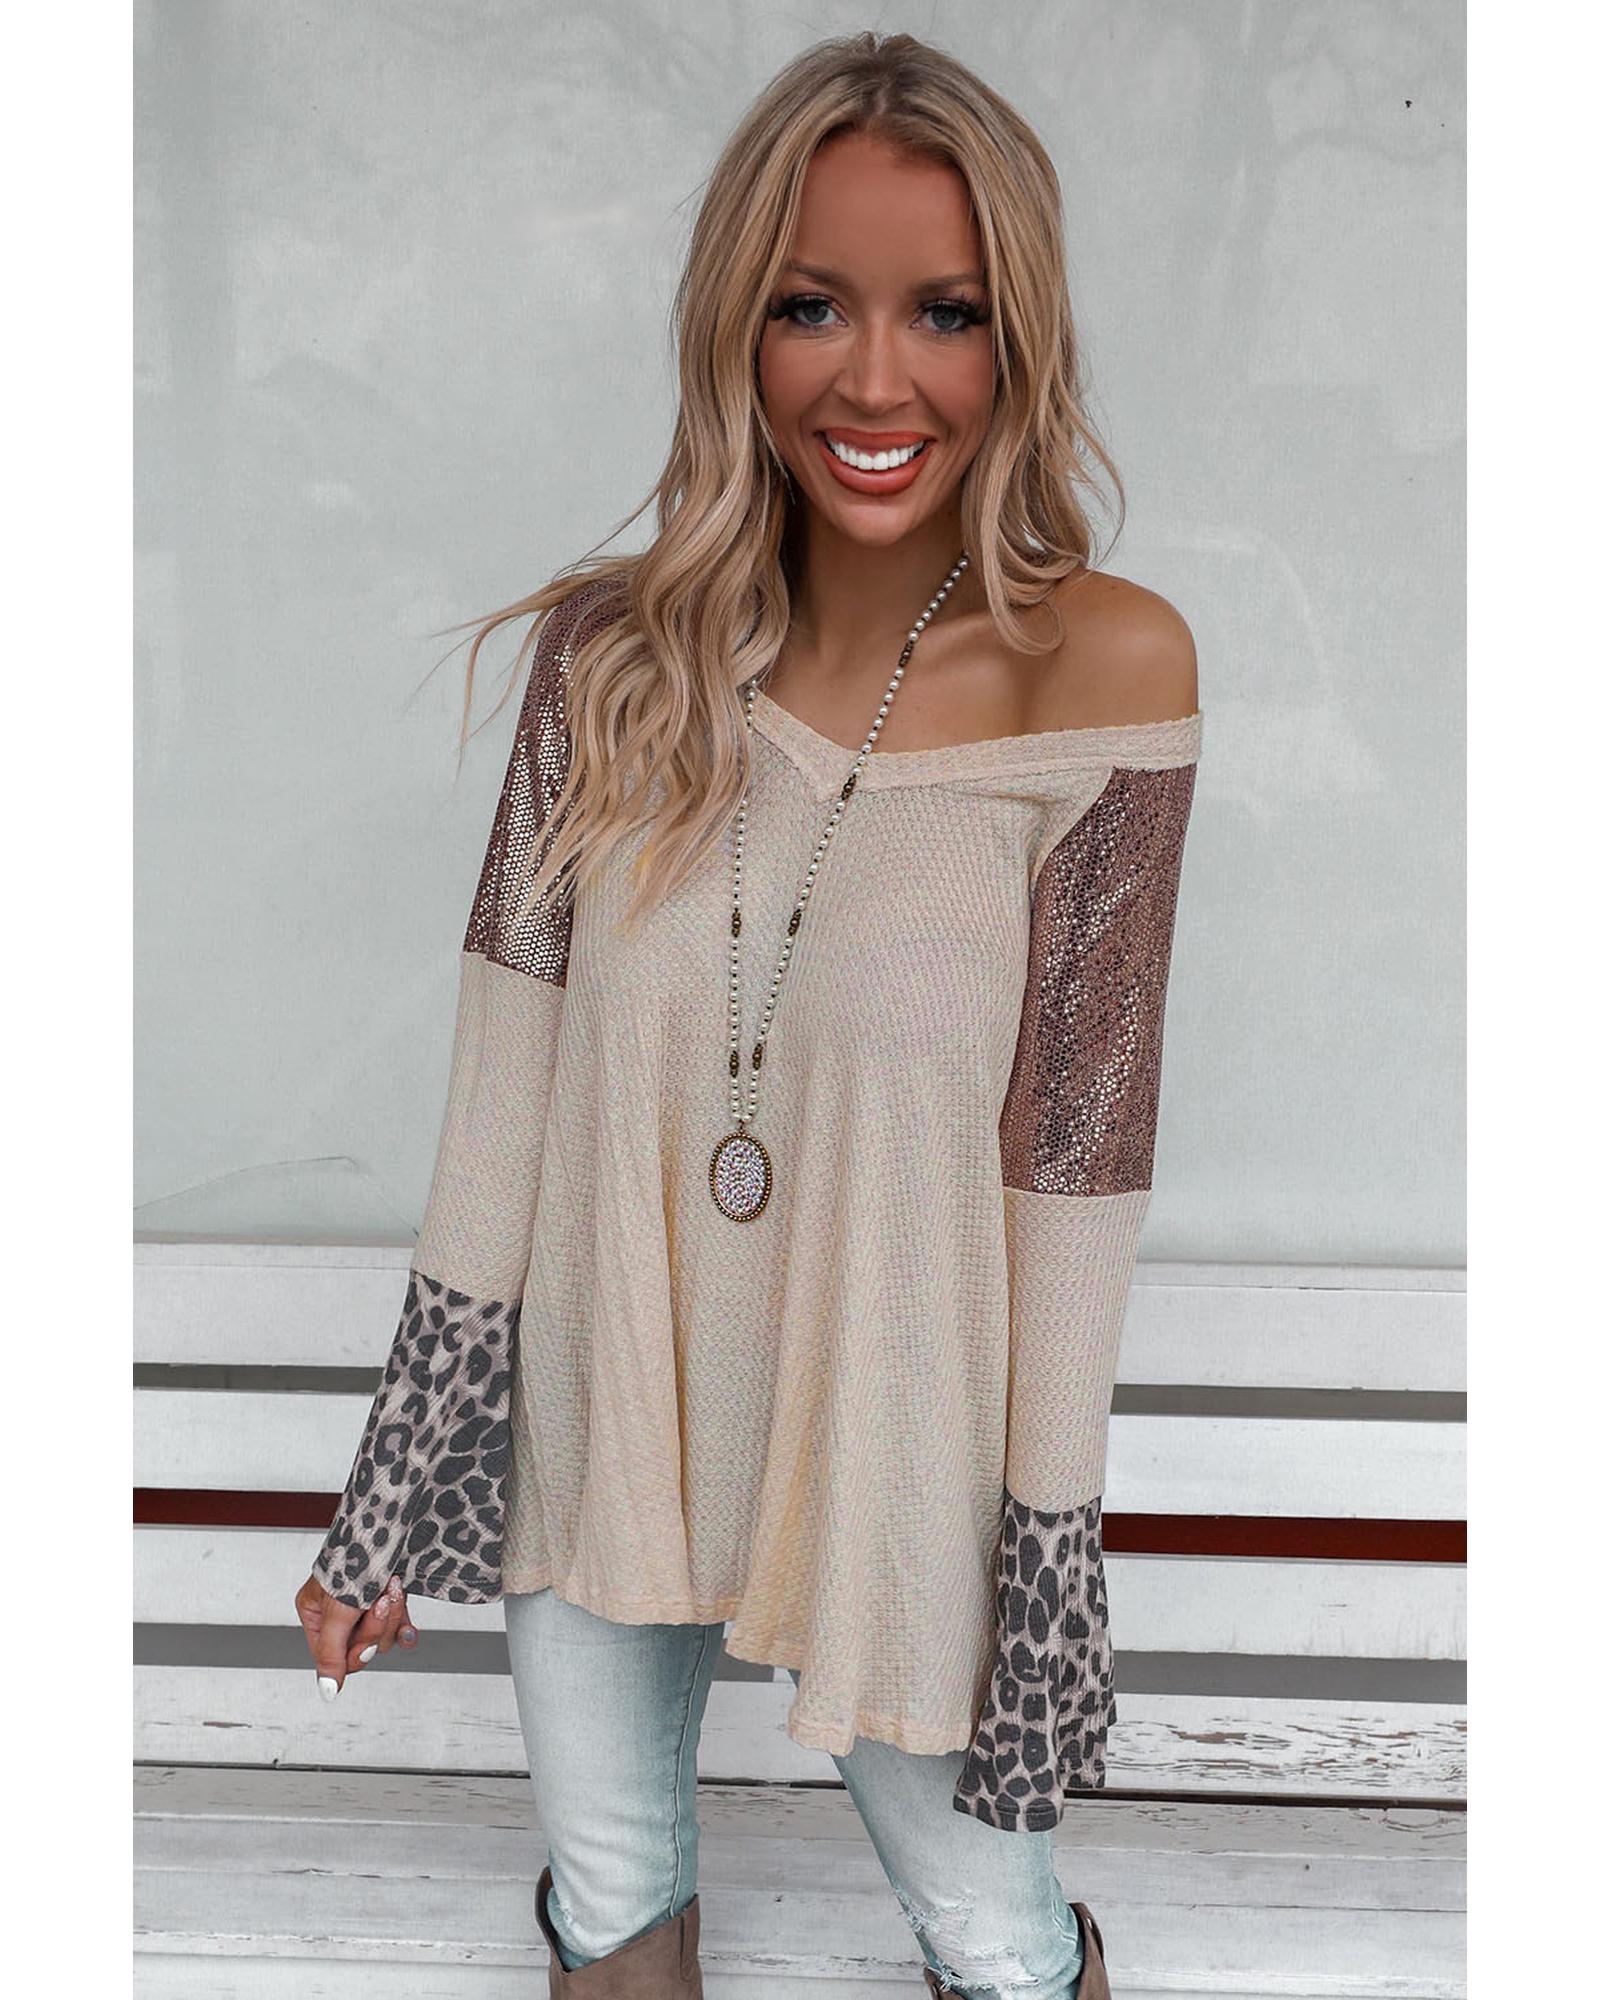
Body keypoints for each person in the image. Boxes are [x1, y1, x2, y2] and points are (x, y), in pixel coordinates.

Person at [292, 30, 1200, 2000]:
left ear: (1019, 340)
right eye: (810, 305)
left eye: (944, 311)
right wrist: (388, 1496)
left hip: (900, 1460)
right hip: (608, 1424)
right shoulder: (606, 661)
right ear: (735, 328)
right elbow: (502, 1093)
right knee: (612, 1935)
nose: (874, 379)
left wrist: (1043, 1560)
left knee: (1001, 1952)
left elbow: (1076, 1162)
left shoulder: (1106, 675)